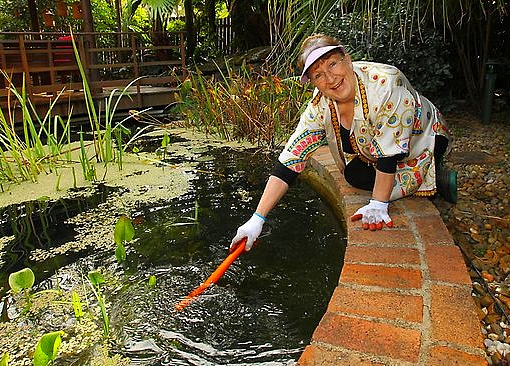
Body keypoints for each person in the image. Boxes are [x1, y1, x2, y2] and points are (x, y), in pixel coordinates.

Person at [231, 33, 457, 251]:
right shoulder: (320, 106)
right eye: (318, 75)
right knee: (353, 175)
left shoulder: (386, 84)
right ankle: (424, 177)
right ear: (313, 83)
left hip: (426, 137)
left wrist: (379, 204)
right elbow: (291, 159)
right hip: (383, 150)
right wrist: (257, 219)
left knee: (383, 184)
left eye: (332, 64)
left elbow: (388, 156)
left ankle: (436, 174)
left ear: (347, 59)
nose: (330, 79)